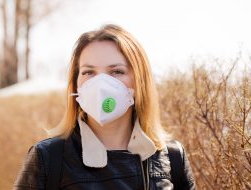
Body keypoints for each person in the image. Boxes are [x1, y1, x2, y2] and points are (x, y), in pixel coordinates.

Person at [13, 24, 196, 190]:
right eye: (88, 72)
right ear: (76, 84)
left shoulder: (171, 157)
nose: (101, 84)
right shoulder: (48, 157)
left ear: (139, 82)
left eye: (116, 71)